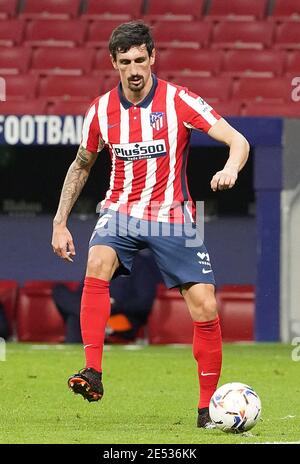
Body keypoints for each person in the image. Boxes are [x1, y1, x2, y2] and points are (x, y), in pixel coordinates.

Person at [51, 21, 249, 429]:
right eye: (125, 62)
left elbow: (239, 141)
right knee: (97, 262)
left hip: (172, 215)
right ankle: (92, 370)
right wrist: (59, 222)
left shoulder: (179, 100)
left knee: (205, 305)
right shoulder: (101, 111)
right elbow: (81, 165)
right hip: (120, 210)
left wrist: (230, 168)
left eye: (141, 59)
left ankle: (206, 409)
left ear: (153, 57)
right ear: (114, 63)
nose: (134, 69)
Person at [52, 249, 162, 343]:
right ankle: (92, 316)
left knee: (76, 318)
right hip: (92, 309)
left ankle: (90, 316)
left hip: (119, 316)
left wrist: (114, 305)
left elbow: (144, 303)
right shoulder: (98, 260)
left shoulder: (139, 264)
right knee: (59, 290)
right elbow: (82, 293)